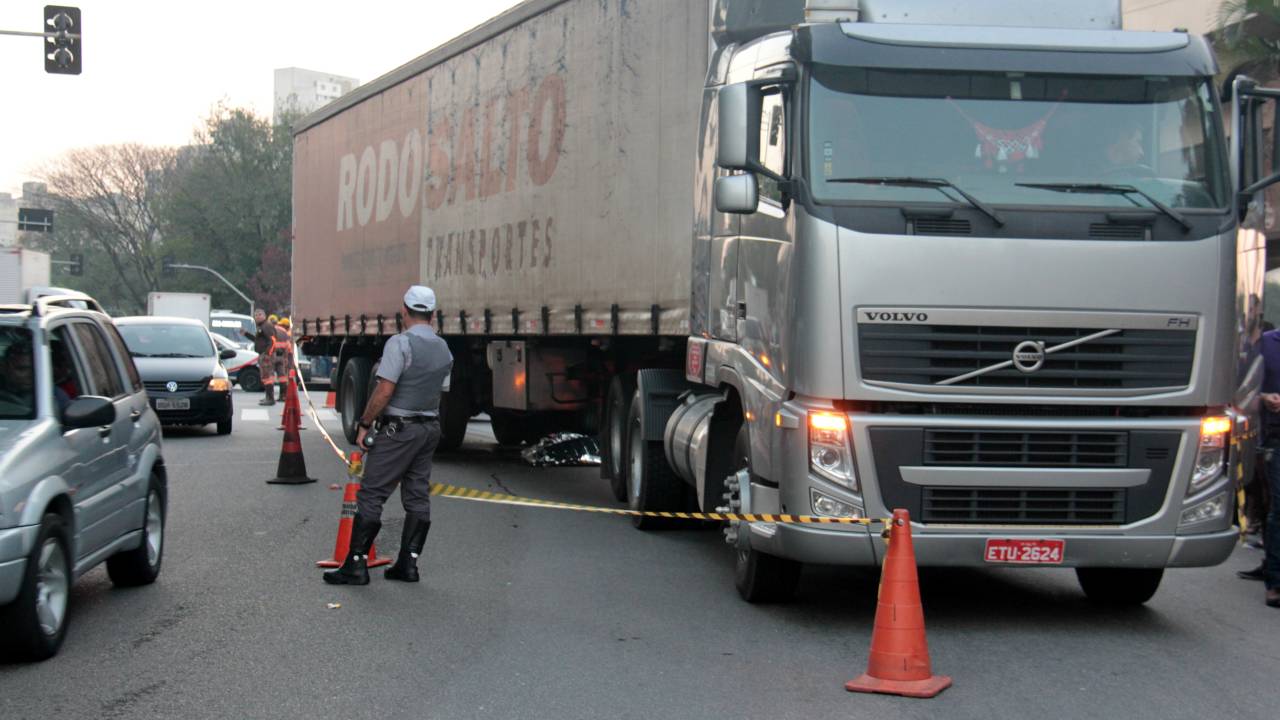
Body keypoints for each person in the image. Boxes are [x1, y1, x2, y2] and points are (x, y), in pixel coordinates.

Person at [324, 286, 453, 586]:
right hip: (429, 427)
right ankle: (408, 563)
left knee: (372, 493)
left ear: (404, 312)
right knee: (417, 494)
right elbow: (441, 389)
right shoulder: (444, 349)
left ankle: (355, 565)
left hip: (399, 428)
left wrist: (365, 423)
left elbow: (384, 390)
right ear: (433, 315)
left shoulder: (400, 344)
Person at [1253, 325, 1280, 607]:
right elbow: (1245, 385)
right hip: (1275, 437)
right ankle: (1275, 583)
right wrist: (1264, 397)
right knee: (1278, 508)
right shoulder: (1267, 344)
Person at [245, 310, 284, 406]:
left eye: (260, 314)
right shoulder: (261, 327)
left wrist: (268, 354)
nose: (257, 316)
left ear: (264, 316)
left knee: (268, 377)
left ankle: (270, 398)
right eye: (256, 315)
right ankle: (268, 396)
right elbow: (258, 341)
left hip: (267, 355)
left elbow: (273, 341)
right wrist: (246, 334)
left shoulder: (266, 326)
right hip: (263, 354)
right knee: (265, 377)